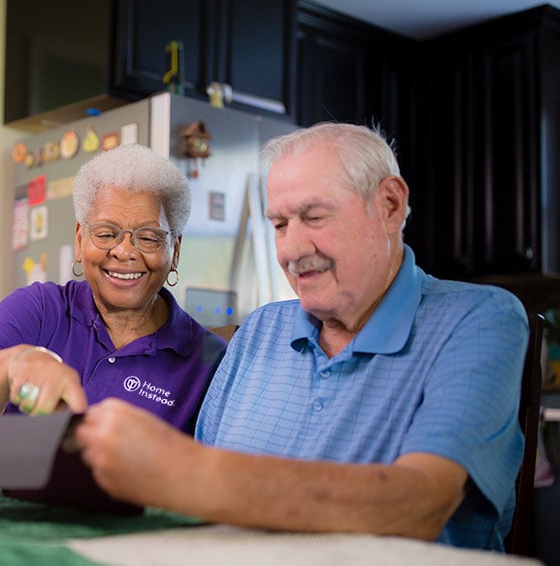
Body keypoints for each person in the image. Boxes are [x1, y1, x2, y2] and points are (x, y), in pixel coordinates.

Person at [73, 123, 529, 551]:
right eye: (280, 224)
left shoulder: (478, 319)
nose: (291, 250)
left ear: (389, 206)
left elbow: (420, 503)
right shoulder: (260, 331)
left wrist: (177, 469)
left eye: (314, 217)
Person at [0, 144, 226, 433]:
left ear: (174, 250)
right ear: (79, 240)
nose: (124, 252)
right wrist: (14, 363)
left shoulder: (210, 360)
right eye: (106, 233)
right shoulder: (40, 309)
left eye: (148, 238)